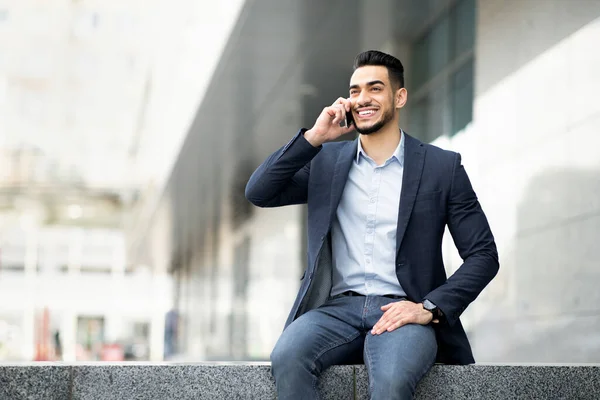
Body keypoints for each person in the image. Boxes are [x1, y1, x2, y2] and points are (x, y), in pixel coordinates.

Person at [245, 50, 499, 400]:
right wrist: (315, 137)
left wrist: (427, 308)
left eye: (375, 88)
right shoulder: (326, 163)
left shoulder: (442, 167)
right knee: (287, 357)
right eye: (354, 91)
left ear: (399, 96)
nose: (362, 98)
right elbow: (259, 191)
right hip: (335, 311)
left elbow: (484, 255)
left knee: (392, 382)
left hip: (402, 311)